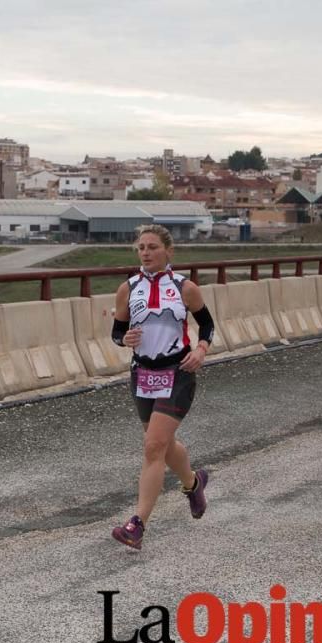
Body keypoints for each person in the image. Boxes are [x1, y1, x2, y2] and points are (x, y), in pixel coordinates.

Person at [110, 224, 216, 549]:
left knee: (153, 446)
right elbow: (117, 332)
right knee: (163, 445)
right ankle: (193, 483)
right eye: (141, 247)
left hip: (178, 372)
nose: (146, 253)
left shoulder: (186, 288)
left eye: (153, 247)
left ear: (168, 251)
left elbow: (208, 325)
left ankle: (137, 524)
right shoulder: (127, 289)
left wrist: (200, 350)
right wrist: (122, 339)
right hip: (143, 373)